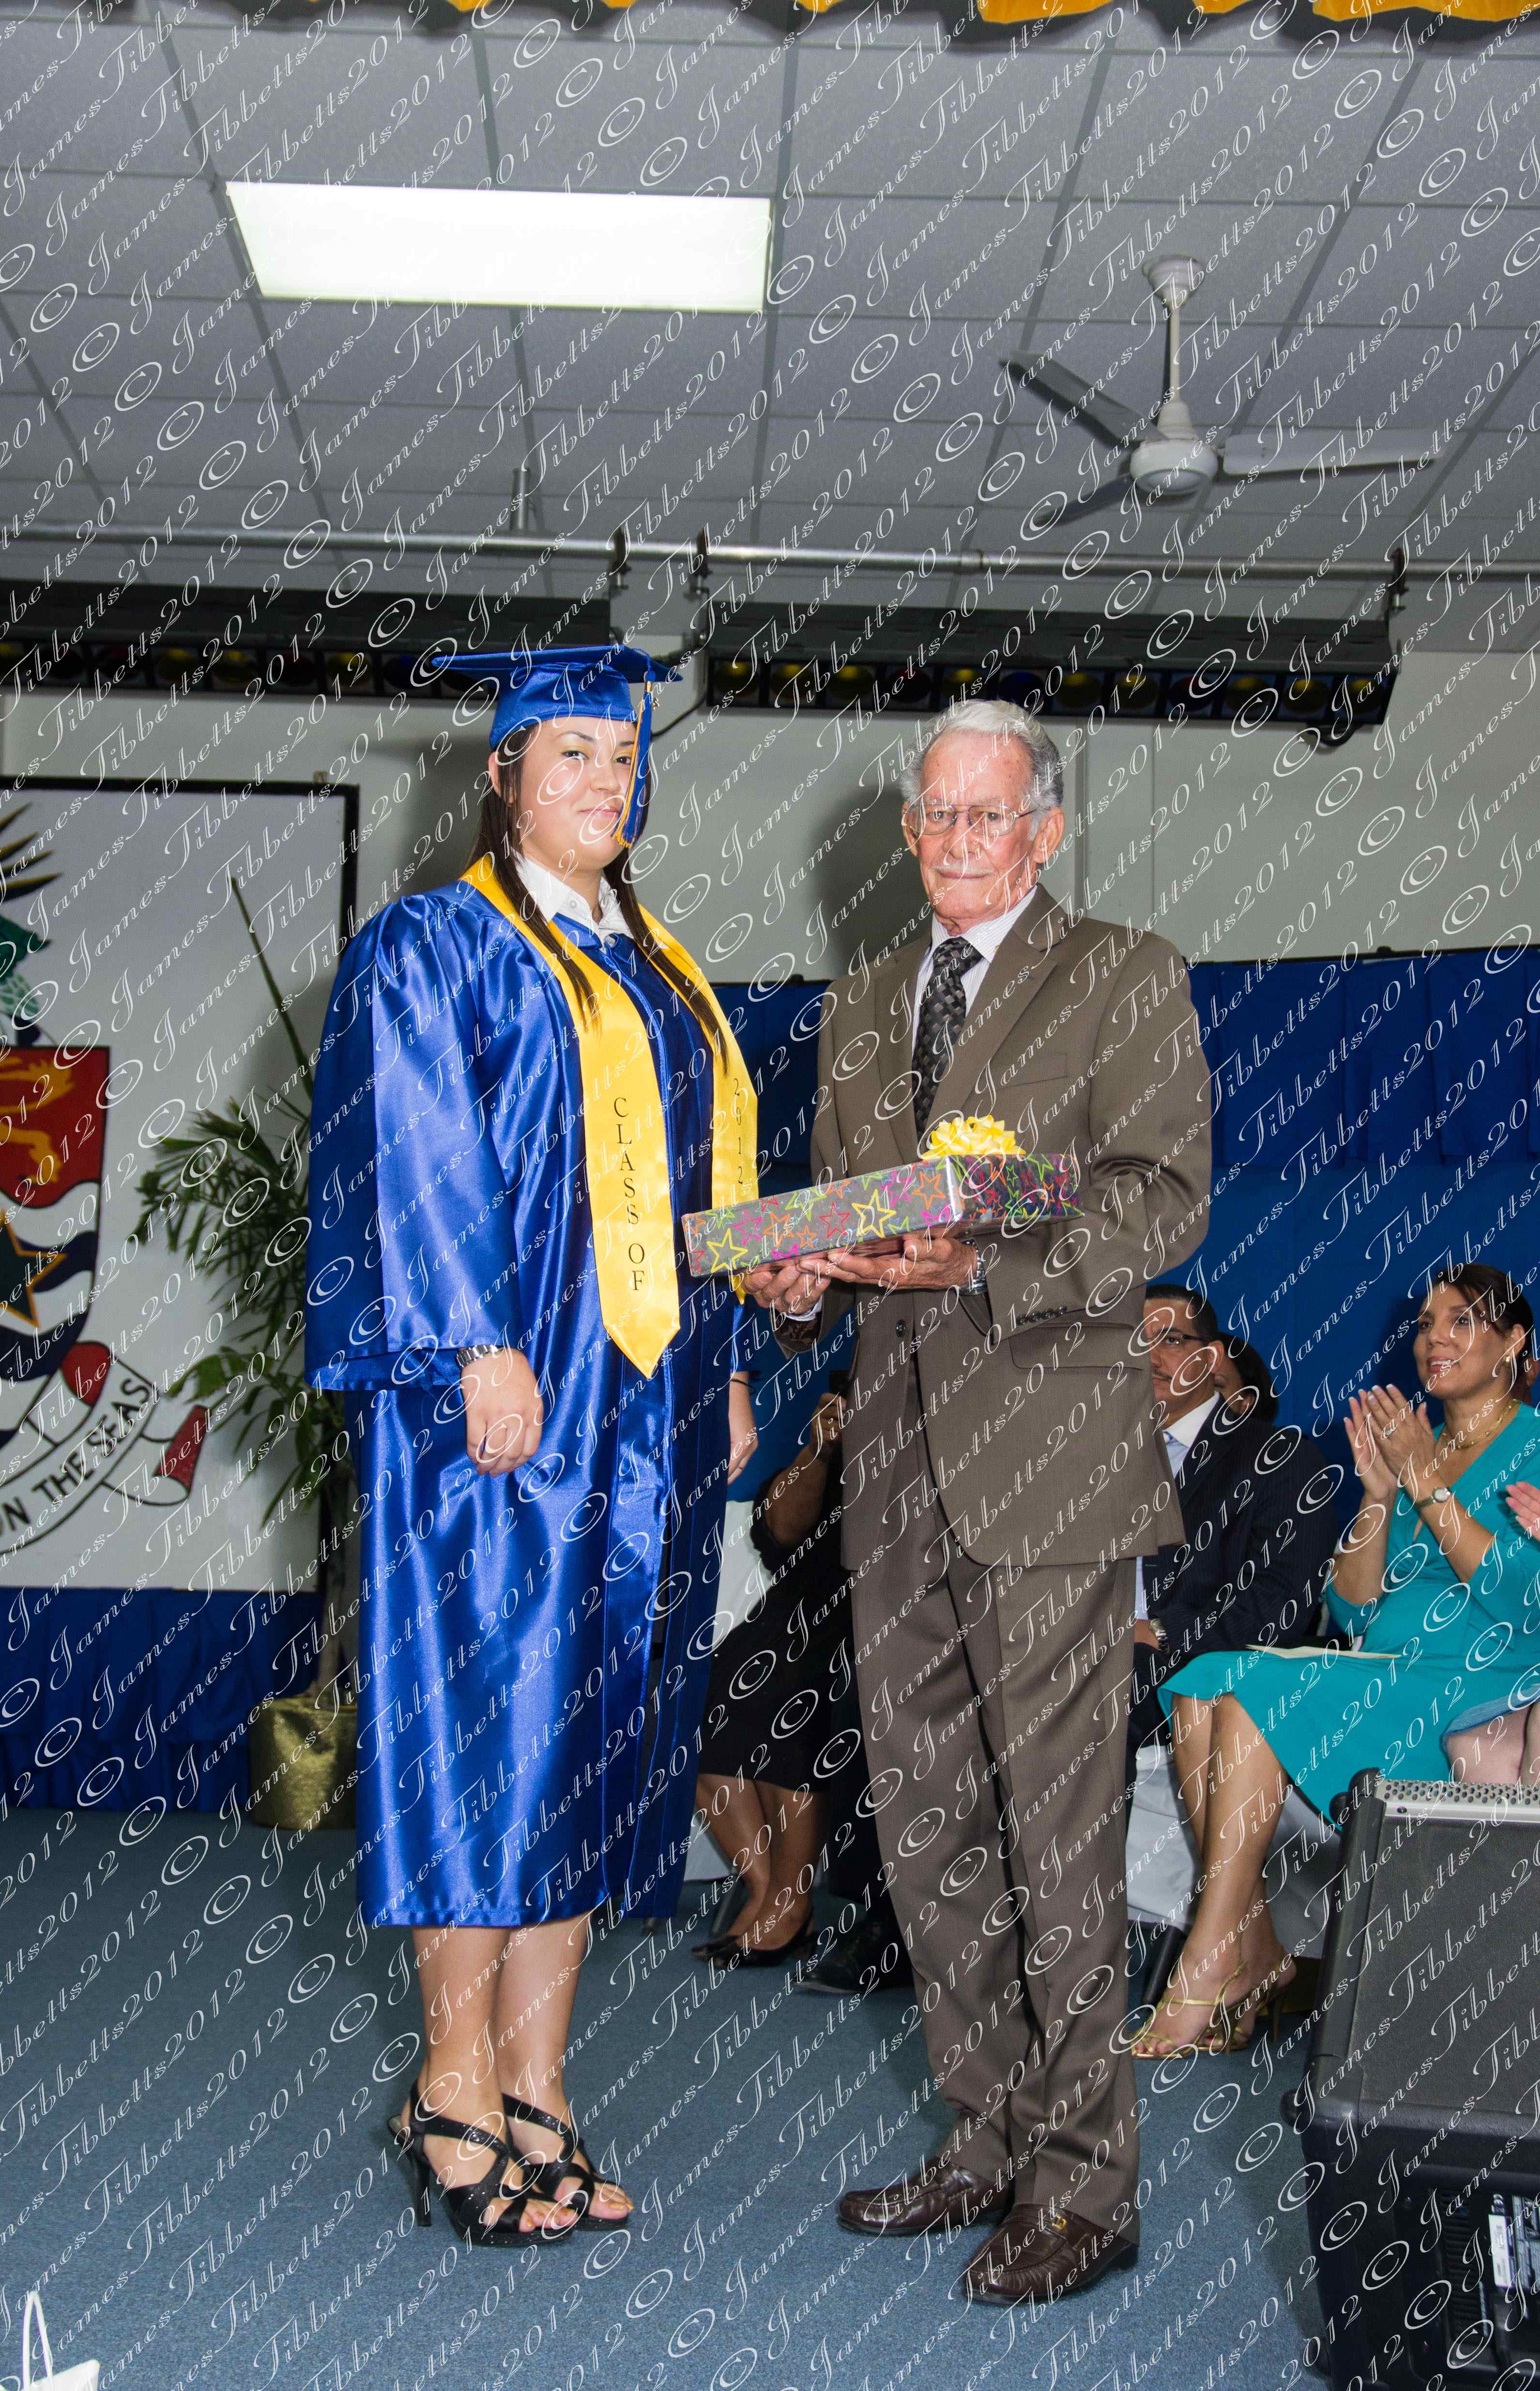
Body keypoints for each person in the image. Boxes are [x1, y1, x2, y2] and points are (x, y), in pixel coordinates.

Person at [745, 698, 1213, 2308]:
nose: (955, 839)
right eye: (933, 815)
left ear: (1045, 830)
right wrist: (800, 1279)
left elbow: (1158, 1193)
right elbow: (853, 1224)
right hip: (891, 1469)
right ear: (908, 831)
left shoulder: (1125, 973)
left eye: (985, 813)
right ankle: (986, 2135)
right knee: (929, 1824)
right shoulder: (862, 1003)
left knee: (1056, 1838)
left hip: (1053, 1466)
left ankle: (1085, 2184)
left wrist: (986, 1258)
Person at [305, 644, 760, 2249]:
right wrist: (473, 1340)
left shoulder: (659, 967)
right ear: (501, 776)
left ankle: (539, 2084)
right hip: (502, 1394)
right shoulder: (437, 942)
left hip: (645, 1402)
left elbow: (691, 1196)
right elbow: (411, 1151)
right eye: (573, 754)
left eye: (624, 759)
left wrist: (721, 1360)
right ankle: (451, 2085)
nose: (606, 783)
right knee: (486, 1726)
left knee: (596, 1737)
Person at [1135, 1264, 1540, 2059]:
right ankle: (1246, 1938)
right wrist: (1380, 1494)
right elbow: (1355, 1608)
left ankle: (1215, 1957)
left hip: (1483, 1682)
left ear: (1513, 1342)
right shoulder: (1419, 1443)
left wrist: (1424, 1483)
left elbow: (1520, 1599)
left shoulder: (1528, 1444)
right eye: (1425, 1324)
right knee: (1202, 1679)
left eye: (1460, 1321)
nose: (1432, 1340)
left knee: (1246, 1687)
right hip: (1389, 1667)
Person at [692, 1368, 907, 1982]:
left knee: (792, 1700)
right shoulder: (829, 1453)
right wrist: (821, 1449)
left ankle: (788, 1900)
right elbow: (778, 1536)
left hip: (882, 1617)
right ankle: (771, 1890)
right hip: (799, 1611)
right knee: (707, 1701)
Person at [1127, 1286, 1336, 1808]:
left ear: (1211, 1357)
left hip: (1186, 1664)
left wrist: (1161, 1630)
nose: (1149, 1356)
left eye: (1170, 1339)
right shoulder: (1098, 1456)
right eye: (1135, 1340)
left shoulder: (1277, 1455)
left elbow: (1283, 1599)